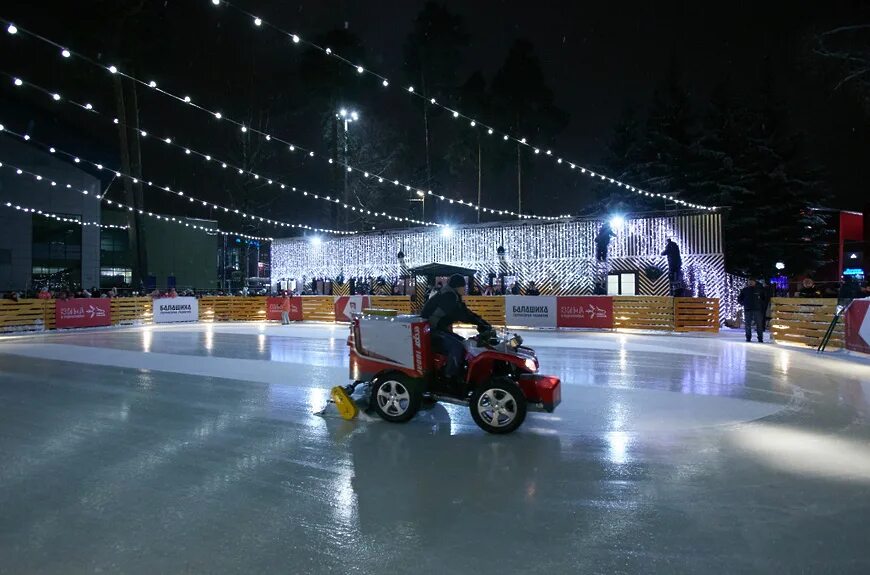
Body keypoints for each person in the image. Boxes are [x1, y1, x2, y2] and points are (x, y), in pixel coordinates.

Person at [421, 274, 491, 386]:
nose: (465, 289)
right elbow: (461, 314)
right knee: (457, 346)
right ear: (458, 286)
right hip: (430, 331)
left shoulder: (451, 295)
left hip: (434, 329)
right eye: (464, 286)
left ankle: (458, 371)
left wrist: (482, 323)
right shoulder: (448, 296)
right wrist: (480, 325)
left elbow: (465, 311)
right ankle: (449, 378)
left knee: (463, 342)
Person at [738, 278, 768, 343]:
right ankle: (748, 338)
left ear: (755, 282)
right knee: (747, 324)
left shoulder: (759, 290)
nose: (751, 282)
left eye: (752, 281)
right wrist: (744, 304)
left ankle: (760, 338)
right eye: (749, 281)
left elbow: (764, 299)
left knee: (759, 324)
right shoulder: (745, 290)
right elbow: (739, 298)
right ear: (748, 282)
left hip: (757, 309)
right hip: (748, 309)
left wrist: (761, 305)